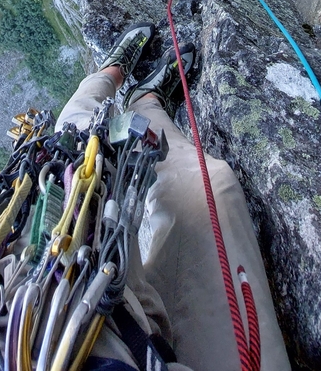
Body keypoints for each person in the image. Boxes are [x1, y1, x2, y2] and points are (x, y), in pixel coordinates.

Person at [56, 22, 291, 371]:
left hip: (57, 307)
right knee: (214, 187)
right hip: (152, 354)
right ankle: (148, 103)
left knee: (76, 141)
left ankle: (111, 76)